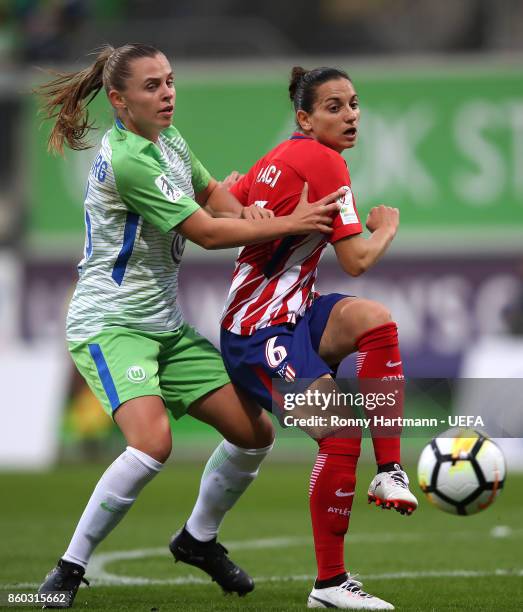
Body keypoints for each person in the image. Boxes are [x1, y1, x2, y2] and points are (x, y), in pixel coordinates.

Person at [35, 45, 343, 609]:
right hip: (111, 324)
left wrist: (248, 213)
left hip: (165, 327)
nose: (168, 93)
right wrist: (288, 221)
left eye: (170, 81)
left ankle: (198, 539)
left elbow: (214, 197)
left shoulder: (168, 141)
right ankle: (68, 568)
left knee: (255, 434)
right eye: (152, 86)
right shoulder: (129, 158)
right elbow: (205, 232)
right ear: (119, 100)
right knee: (153, 443)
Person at [220, 66, 418, 610]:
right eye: (334, 107)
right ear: (305, 118)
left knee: (376, 322)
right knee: (341, 429)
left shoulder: (279, 156)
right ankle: (330, 584)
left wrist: (245, 208)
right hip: (257, 332)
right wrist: (387, 229)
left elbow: (223, 200)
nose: (350, 114)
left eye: (354, 103)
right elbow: (354, 261)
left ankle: (389, 470)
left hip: (294, 313)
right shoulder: (324, 161)